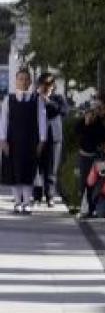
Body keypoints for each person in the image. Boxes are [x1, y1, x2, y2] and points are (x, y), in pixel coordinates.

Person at [0, 69, 47, 214]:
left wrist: (42, 140)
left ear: (30, 82)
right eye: (20, 79)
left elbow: (42, 120)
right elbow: (3, 120)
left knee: (28, 171)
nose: (23, 82)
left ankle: (27, 202)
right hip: (12, 140)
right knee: (14, 172)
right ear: (16, 81)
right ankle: (17, 202)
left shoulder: (36, 99)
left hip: (30, 140)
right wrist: (2, 140)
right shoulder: (9, 99)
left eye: (26, 79)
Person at [75, 95, 105, 216]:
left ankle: (100, 208)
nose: (99, 110)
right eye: (97, 107)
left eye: (102, 107)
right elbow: (78, 131)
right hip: (86, 155)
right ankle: (87, 208)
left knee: (102, 180)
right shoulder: (91, 117)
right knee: (86, 181)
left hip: (101, 156)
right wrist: (86, 123)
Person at [34, 72, 68, 207]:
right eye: (44, 84)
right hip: (37, 138)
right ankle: (37, 196)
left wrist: (48, 101)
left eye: (49, 84)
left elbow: (64, 111)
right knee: (37, 168)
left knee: (51, 168)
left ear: (53, 85)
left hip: (54, 137)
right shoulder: (35, 98)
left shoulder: (58, 98)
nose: (47, 87)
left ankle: (50, 196)